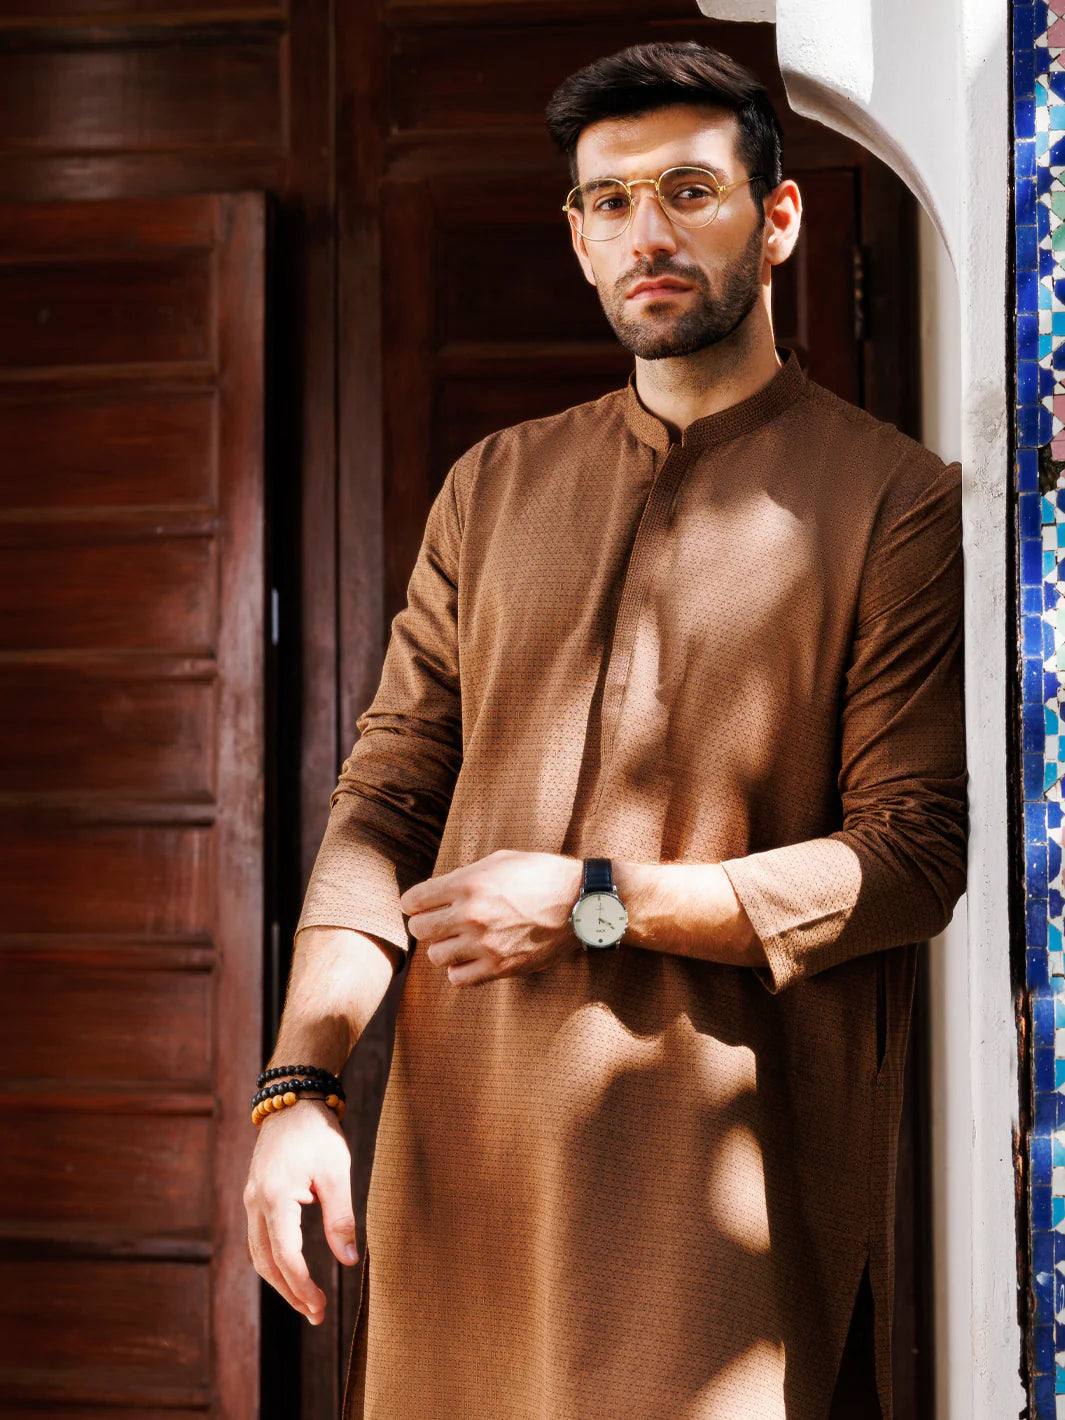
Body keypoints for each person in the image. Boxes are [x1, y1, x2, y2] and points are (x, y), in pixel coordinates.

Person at [243, 39, 967, 1420]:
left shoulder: (887, 501)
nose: (648, 233)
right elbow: (383, 798)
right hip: (464, 1157)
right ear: (575, 240)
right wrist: (297, 1088)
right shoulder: (493, 486)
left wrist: (590, 903)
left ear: (777, 218)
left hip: (710, 1199)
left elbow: (909, 859)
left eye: (689, 190)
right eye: (609, 201)